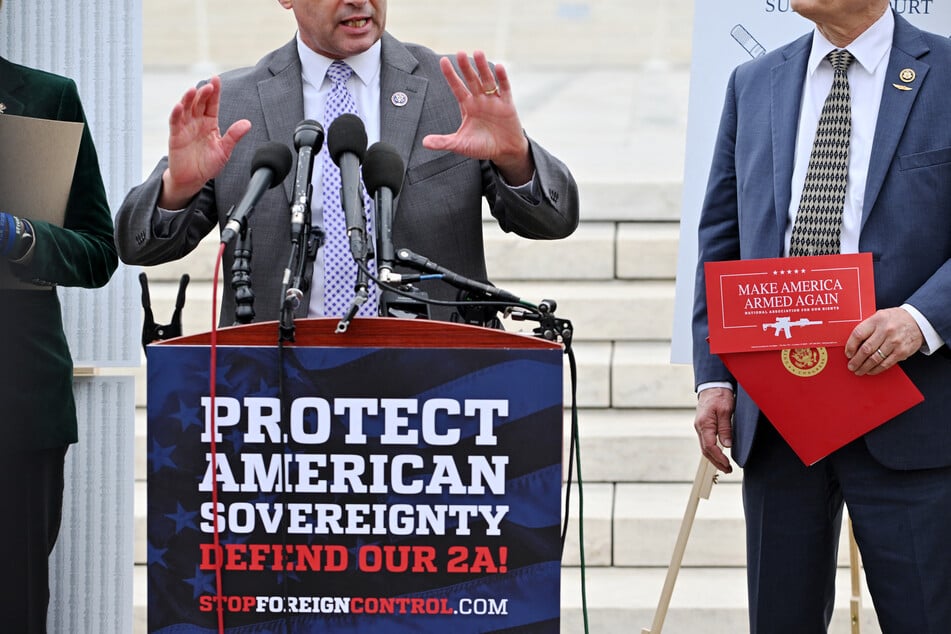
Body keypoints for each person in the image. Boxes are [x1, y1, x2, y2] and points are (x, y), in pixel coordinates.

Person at [692, 2, 951, 632]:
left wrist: (921, 318)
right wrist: (715, 376)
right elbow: (721, 238)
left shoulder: (944, 72)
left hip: (909, 407)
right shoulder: (753, 83)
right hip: (780, 411)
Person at [115, 0, 579, 326]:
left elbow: (554, 221)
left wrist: (514, 157)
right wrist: (180, 187)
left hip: (435, 379)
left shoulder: (450, 91)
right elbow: (139, 247)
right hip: (277, 386)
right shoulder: (233, 102)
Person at [0, 12, 119, 631]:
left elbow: (101, 251)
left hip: (16, 408)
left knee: (15, 604)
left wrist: (20, 235)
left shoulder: (46, 98)